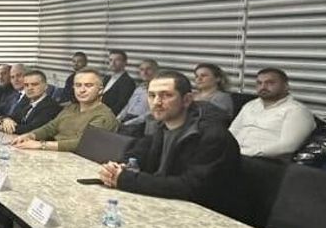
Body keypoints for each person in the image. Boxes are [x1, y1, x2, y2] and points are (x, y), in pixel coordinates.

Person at [98, 71, 241, 203]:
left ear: (187, 100)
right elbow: (136, 154)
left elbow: (190, 187)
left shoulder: (213, 136)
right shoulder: (161, 125)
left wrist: (126, 179)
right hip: (163, 201)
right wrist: (117, 168)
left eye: (166, 95)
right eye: (152, 95)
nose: (156, 102)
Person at [12, 70, 118, 152]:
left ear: (100, 90)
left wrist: (41, 145)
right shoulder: (71, 108)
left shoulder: (104, 116)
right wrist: (30, 135)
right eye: (78, 85)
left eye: (88, 85)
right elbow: (50, 127)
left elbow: (84, 143)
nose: (82, 90)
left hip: (79, 161)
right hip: (56, 154)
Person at [228, 67, 316, 159]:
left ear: (286, 86)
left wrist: (243, 153)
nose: (263, 87)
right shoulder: (250, 105)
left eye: (270, 83)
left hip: (265, 160)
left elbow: (287, 146)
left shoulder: (296, 110)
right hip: (236, 155)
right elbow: (233, 131)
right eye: (259, 83)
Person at [0, 70, 61, 135]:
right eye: (26, 85)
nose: (29, 88)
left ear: (45, 86)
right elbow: (12, 117)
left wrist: (2, 127)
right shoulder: (26, 102)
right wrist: (5, 119)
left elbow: (31, 129)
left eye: (34, 84)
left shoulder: (51, 106)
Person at [117, 59, 159, 131]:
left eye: (148, 69)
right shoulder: (139, 88)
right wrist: (118, 119)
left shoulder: (159, 90)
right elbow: (128, 106)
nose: (144, 72)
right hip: (127, 119)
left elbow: (151, 113)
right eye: (142, 70)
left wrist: (128, 123)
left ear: (156, 71)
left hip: (142, 124)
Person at [100, 50, 137, 115]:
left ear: (125, 62)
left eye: (117, 60)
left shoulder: (128, 82)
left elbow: (121, 105)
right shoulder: (106, 78)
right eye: (110, 60)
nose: (112, 63)